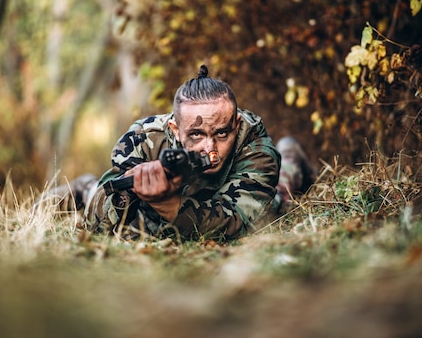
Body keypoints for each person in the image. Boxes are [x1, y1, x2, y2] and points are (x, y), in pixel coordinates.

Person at [39, 65, 314, 241]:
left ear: (236, 125)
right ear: (175, 128)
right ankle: (83, 186)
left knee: (280, 198)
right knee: (125, 218)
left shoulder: (255, 145)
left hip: (233, 195)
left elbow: (242, 224)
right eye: (196, 134)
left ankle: (289, 152)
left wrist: (171, 207)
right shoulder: (144, 140)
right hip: (157, 213)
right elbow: (97, 224)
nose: (209, 147)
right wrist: (133, 194)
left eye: (221, 134)